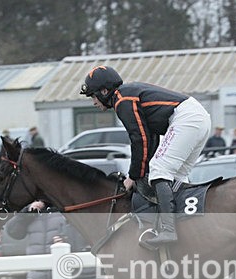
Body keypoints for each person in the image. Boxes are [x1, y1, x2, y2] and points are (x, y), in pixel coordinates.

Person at [80, 65, 211, 246]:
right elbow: (150, 138)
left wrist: (133, 176)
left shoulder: (122, 99)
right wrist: (141, 171)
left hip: (186, 119)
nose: (93, 102)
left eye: (93, 96)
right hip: (198, 117)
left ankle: (168, 230)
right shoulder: (126, 94)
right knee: (176, 176)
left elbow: (138, 139)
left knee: (159, 170)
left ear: (104, 91)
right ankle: (187, 227)